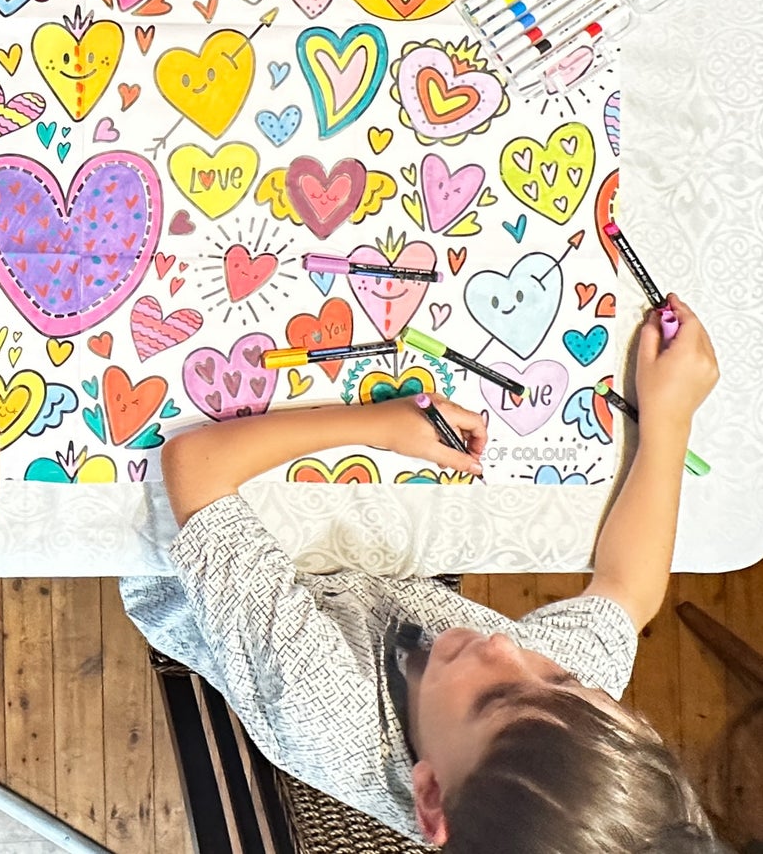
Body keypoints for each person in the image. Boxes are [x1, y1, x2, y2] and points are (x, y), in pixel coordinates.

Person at [123, 296, 727, 853]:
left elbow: (195, 467)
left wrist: (378, 427)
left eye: (494, 696)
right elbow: (629, 590)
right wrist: (670, 420)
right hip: (346, 550)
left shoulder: (325, 713)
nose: (507, 647)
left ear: (431, 794)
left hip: (171, 543)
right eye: (564, 675)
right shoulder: (556, 717)